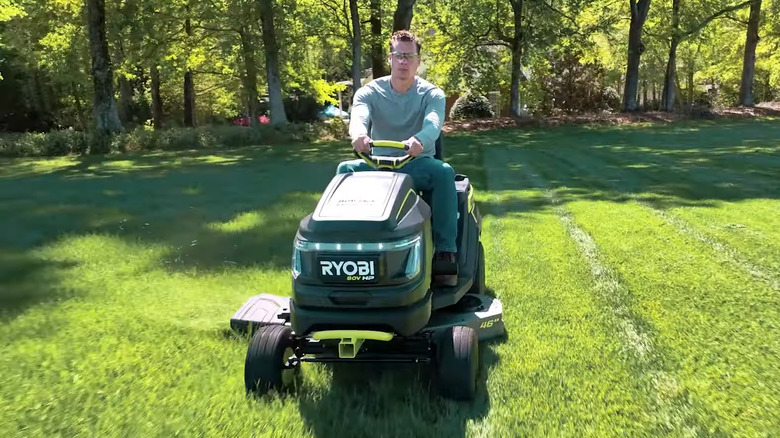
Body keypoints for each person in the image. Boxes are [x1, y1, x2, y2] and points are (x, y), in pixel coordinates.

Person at [336, 30, 459, 287]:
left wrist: (421, 140)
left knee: (443, 171)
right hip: (376, 166)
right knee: (345, 170)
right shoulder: (369, 92)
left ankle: (446, 253)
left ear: (418, 60)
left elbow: (434, 123)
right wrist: (358, 135)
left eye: (409, 56)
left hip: (415, 165)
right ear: (390, 58)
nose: (403, 61)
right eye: (398, 56)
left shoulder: (432, 94)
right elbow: (358, 116)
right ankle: (342, 247)